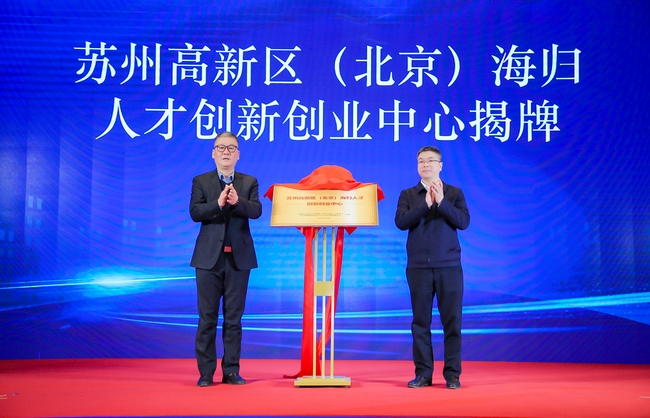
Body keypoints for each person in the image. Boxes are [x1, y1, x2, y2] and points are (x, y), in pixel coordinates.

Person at [189, 131, 262, 387]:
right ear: (213, 153)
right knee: (207, 318)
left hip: (238, 260)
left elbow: (256, 210)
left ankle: (231, 371)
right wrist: (218, 204)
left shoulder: (249, 181)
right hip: (208, 259)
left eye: (231, 148)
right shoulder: (201, 181)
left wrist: (237, 202)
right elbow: (195, 212)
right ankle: (206, 373)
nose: (226, 152)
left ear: (238, 154)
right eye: (221, 147)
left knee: (233, 319)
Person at [395, 146, 470, 390]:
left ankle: (452, 375)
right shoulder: (408, 194)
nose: (425, 165)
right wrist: (425, 205)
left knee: (452, 323)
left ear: (440, 165)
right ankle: (423, 374)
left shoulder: (454, 193)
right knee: (420, 323)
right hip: (418, 268)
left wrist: (441, 202)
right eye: (421, 161)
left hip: (449, 267)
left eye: (430, 161)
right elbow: (401, 223)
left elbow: (463, 222)